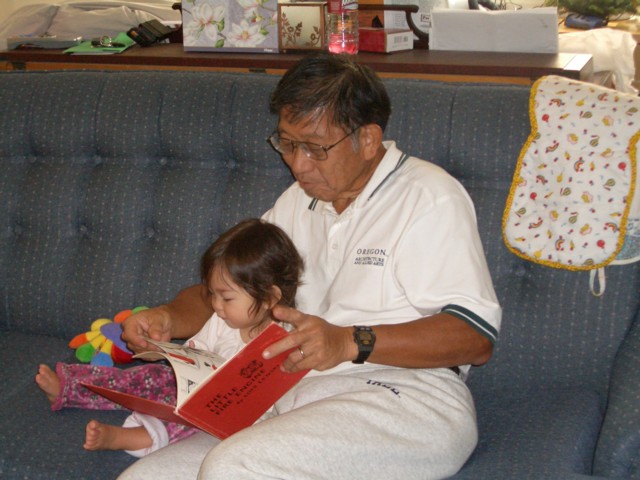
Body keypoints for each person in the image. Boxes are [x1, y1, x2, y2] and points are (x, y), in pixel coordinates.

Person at [118, 53, 502, 480]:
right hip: (292, 394)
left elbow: (473, 338)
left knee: (234, 467)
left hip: (406, 396)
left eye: (316, 148)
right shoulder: (298, 202)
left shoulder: (428, 197)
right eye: (287, 143)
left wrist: (349, 341)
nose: (297, 165)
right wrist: (168, 318)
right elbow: (230, 289)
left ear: (369, 139)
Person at [35, 218, 303, 457]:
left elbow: (280, 398)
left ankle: (129, 437)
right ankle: (73, 387)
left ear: (270, 297)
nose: (217, 305)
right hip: (191, 389)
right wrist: (163, 353)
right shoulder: (222, 321)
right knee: (144, 376)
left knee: (187, 421)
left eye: (227, 297)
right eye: (213, 294)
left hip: (225, 416)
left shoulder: (287, 339)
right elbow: (195, 352)